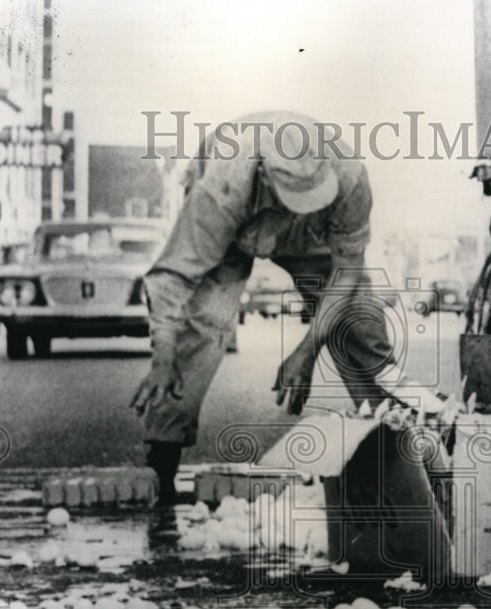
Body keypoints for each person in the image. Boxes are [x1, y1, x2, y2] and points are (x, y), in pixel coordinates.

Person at [132, 110, 442, 504]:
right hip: (238, 225)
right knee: (202, 327)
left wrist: (307, 352)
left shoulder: (350, 179)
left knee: (361, 324)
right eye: (296, 200)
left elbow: (346, 274)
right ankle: (162, 460)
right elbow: (174, 274)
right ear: (265, 176)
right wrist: (162, 354)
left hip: (309, 239)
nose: (304, 206)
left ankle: (399, 453)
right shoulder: (223, 185)